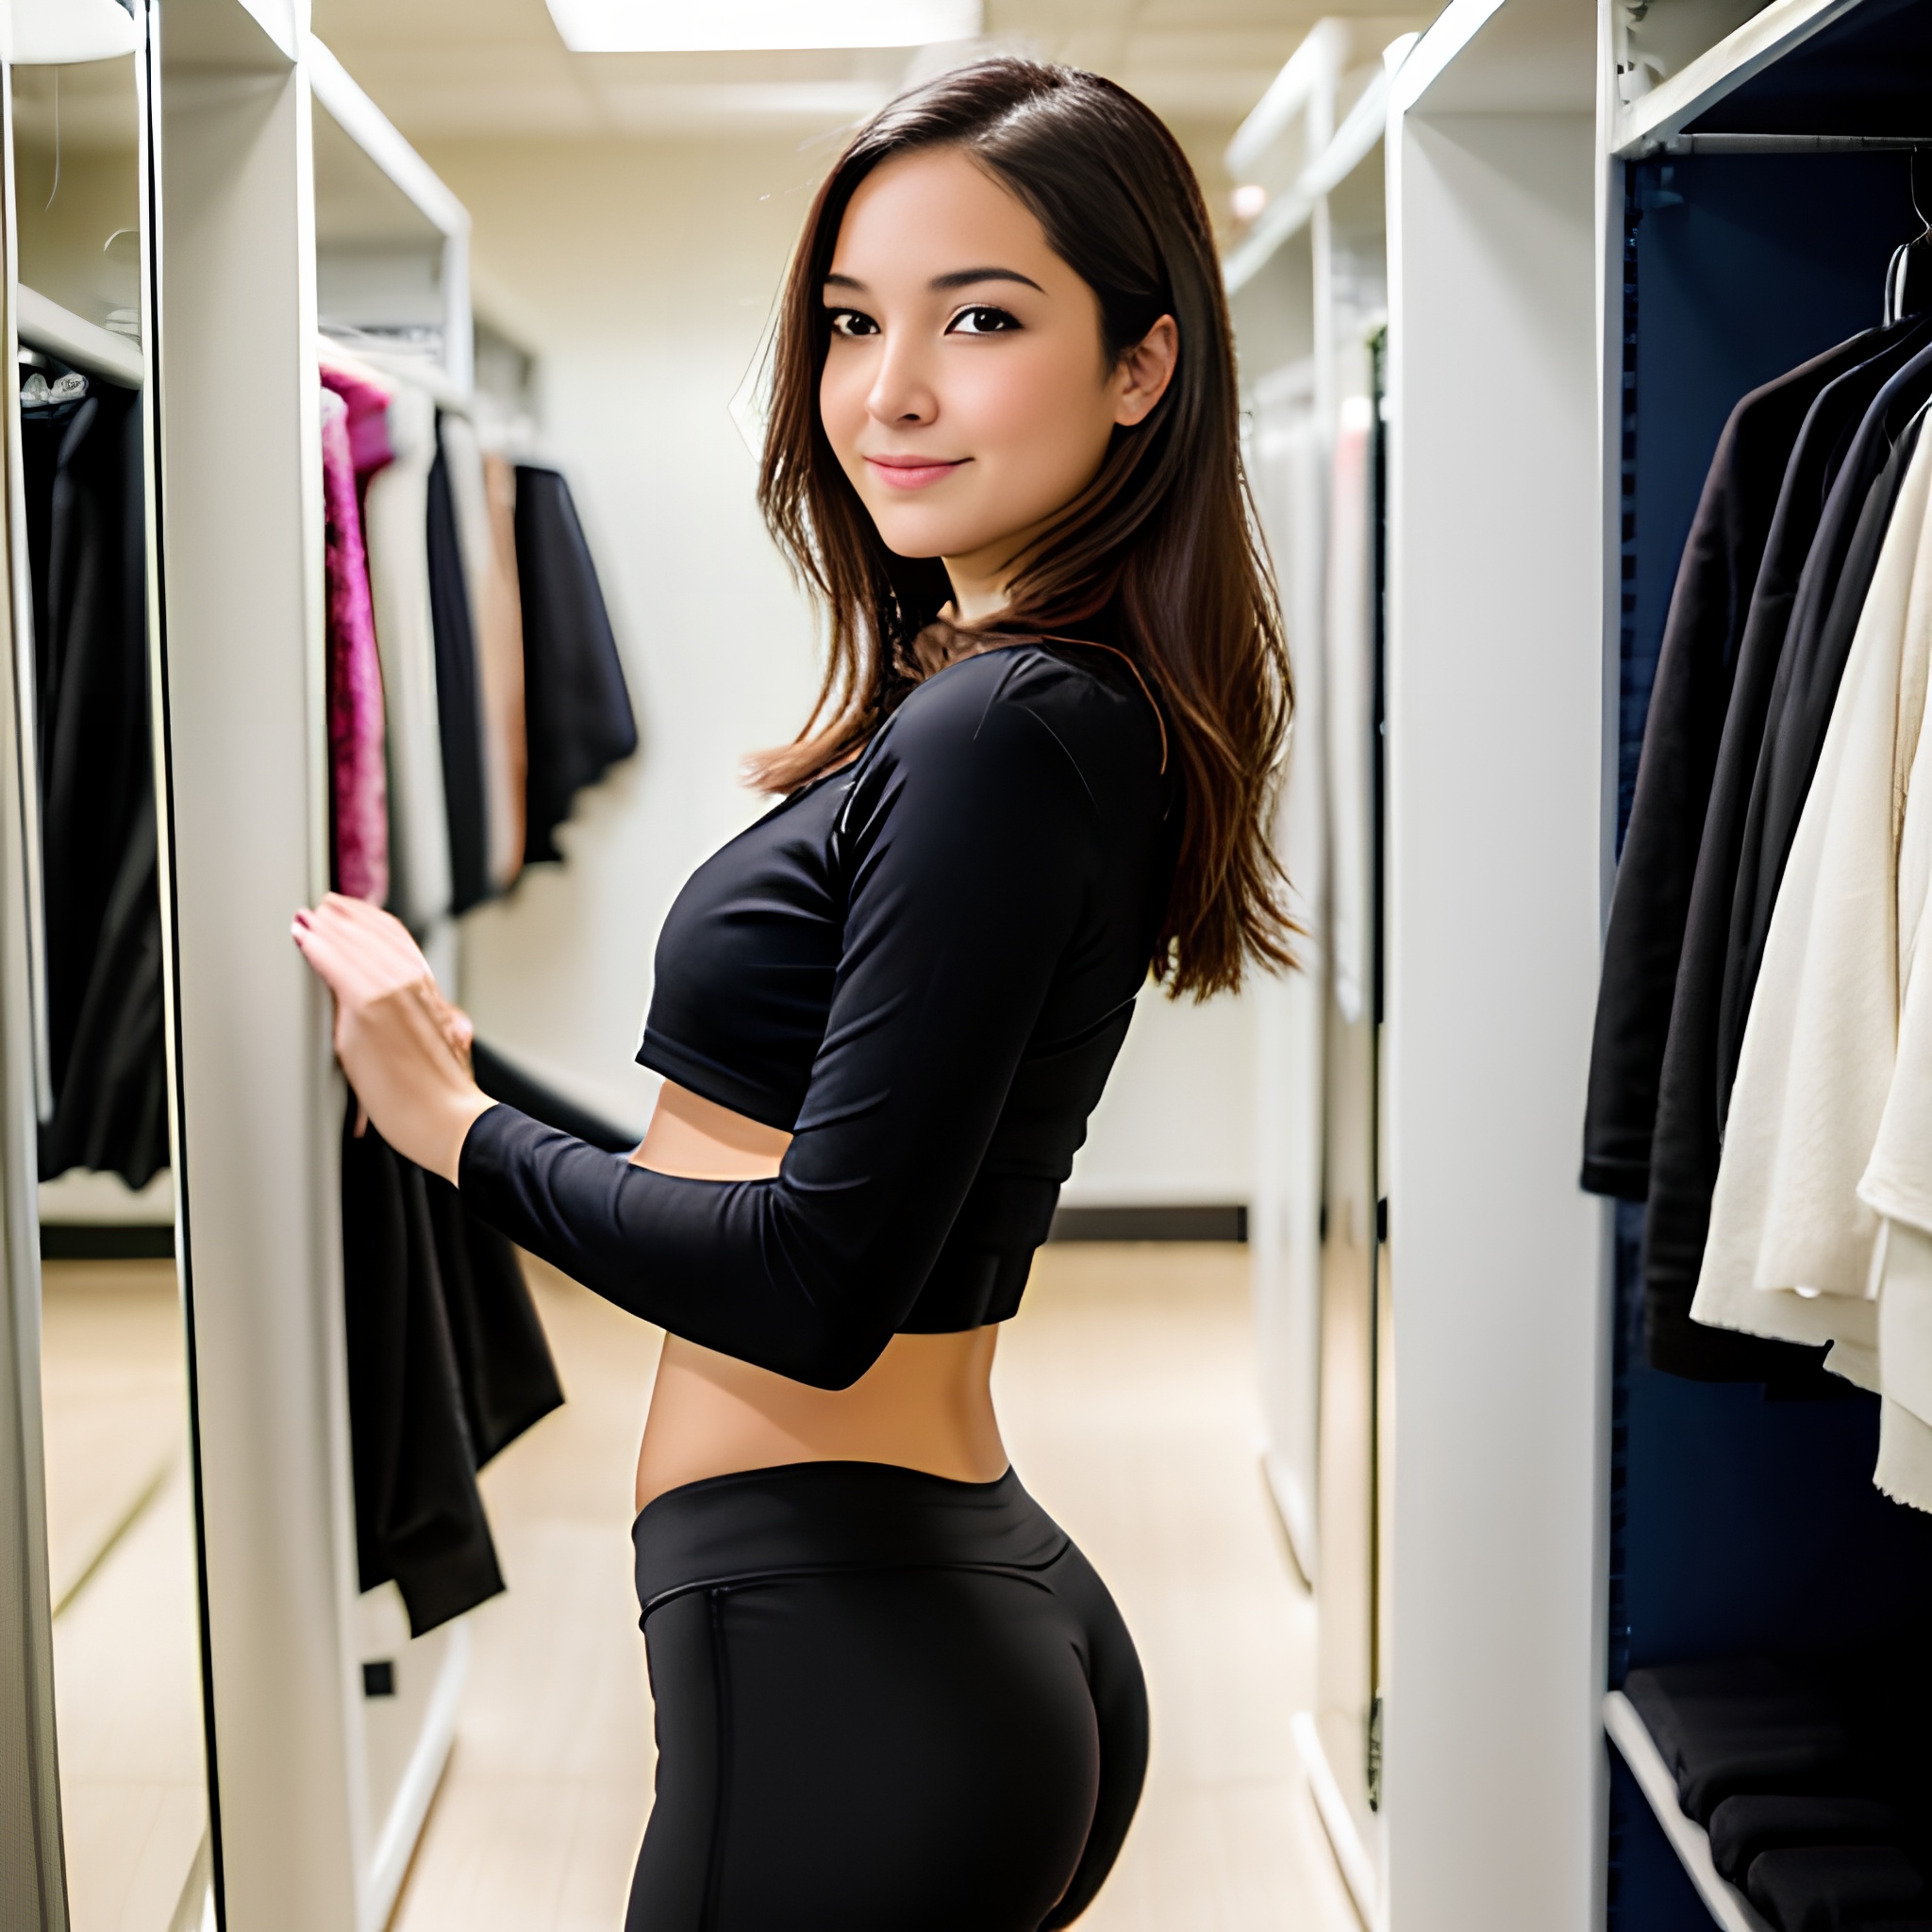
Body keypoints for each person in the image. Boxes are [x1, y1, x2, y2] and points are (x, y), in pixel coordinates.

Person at [294, 57, 1292, 1932]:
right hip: (910, 1602)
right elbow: (801, 1162)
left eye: (978, 319)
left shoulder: (1005, 725)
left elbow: (817, 1287)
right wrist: (457, 1080)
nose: (886, 388)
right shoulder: (1017, 694)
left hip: (849, 1647)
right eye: (850, 321)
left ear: (1141, 363)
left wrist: (462, 1133)